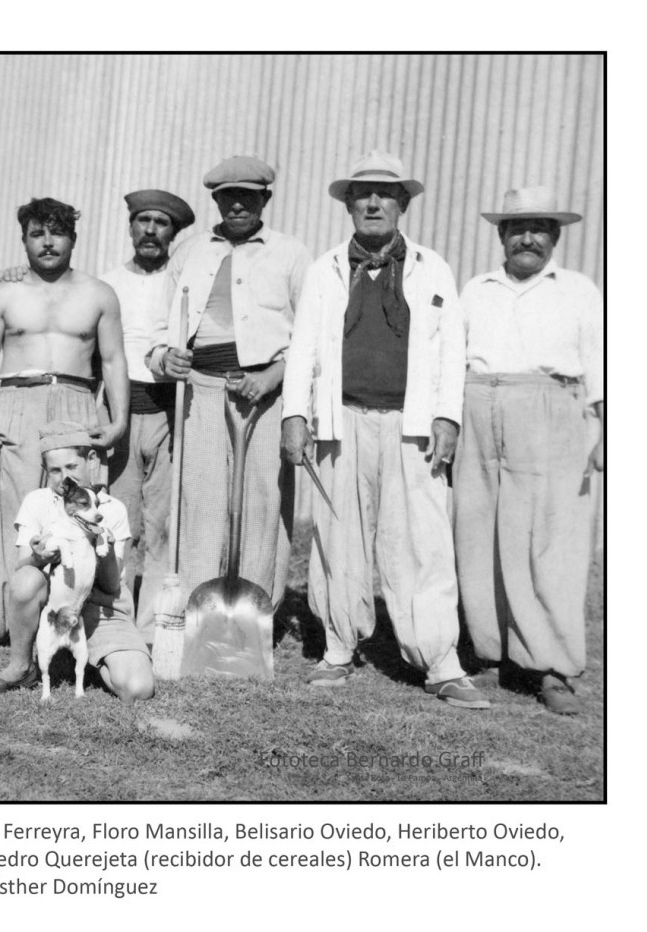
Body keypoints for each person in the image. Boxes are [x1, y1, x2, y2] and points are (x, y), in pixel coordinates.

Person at [280, 150, 488, 709]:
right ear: (349, 204)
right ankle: (339, 649)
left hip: (410, 426)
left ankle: (440, 660)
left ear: (403, 204)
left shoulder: (432, 267)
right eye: (363, 194)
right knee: (338, 534)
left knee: (420, 540)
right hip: (340, 422)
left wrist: (446, 417)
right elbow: (302, 349)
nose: (374, 202)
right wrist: (294, 415)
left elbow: (450, 352)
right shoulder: (326, 268)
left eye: (386, 194)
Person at [143, 157, 311, 633]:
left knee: (262, 504)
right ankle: (199, 616)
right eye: (227, 196)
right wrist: (163, 358)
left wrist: (275, 374)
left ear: (266, 200)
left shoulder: (290, 253)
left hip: (263, 392)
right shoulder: (191, 252)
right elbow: (159, 328)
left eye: (249, 196)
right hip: (198, 391)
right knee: (200, 504)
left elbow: (311, 334)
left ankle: (251, 621)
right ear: (215, 200)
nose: (237, 204)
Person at [454, 186, 604, 715]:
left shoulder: (579, 290)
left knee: (550, 541)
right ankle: (497, 650)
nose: (528, 237)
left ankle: (554, 667)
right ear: (501, 236)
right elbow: (453, 357)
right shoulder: (476, 289)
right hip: (479, 404)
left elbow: (601, 361)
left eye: (539, 227)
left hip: (549, 409)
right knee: (481, 532)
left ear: (555, 236)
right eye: (517, 228)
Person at [0, 197, 129, 655]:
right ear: (24, 239)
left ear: (73, 238)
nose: (48, 241)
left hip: (77, 402)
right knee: (11, 511)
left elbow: (114, 361)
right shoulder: (3, 294)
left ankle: (78, 618)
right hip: (17, 401)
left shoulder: (98, 294)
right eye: (38, 233)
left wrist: (118, 420)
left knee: (78, 512)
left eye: (57, 232)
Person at [0, 422, 154, 701]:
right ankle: (22, 666)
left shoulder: (111, 509)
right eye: (55, 471)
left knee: (138, 688)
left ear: (91, 460)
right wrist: (38, 555)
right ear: (45, 471)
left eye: (71, 467)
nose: (64, 478)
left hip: (101, 607)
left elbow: (110, 585)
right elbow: (22, 571)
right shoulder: (37, 502)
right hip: (54, 603)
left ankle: (93, 660)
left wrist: (99, 541)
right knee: (25, 582)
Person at [97, 188, 194, 625]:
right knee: (119, 520)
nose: (151, 230)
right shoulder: (108, 282)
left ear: (172, 233)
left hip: (168, 413)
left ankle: (153, 622)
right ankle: (114, 614)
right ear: (131, 226)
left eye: (161, 223)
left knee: (161, 525)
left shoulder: (182, 282)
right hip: (120, 413)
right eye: (144, 221)